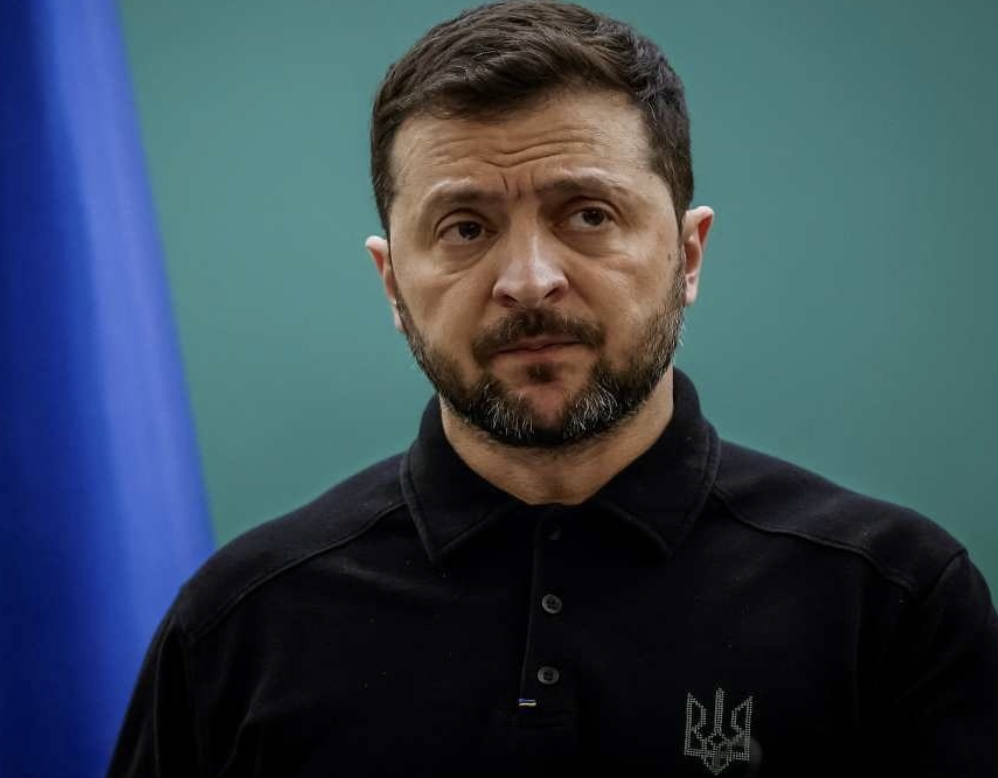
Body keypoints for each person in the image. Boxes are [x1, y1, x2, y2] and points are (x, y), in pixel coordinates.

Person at [107, 2, 998, 775]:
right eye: (465, 228)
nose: (529, 280)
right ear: (391, 283)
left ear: (688, 255)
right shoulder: (239, 628)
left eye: (589, 215)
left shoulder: (893, 602)